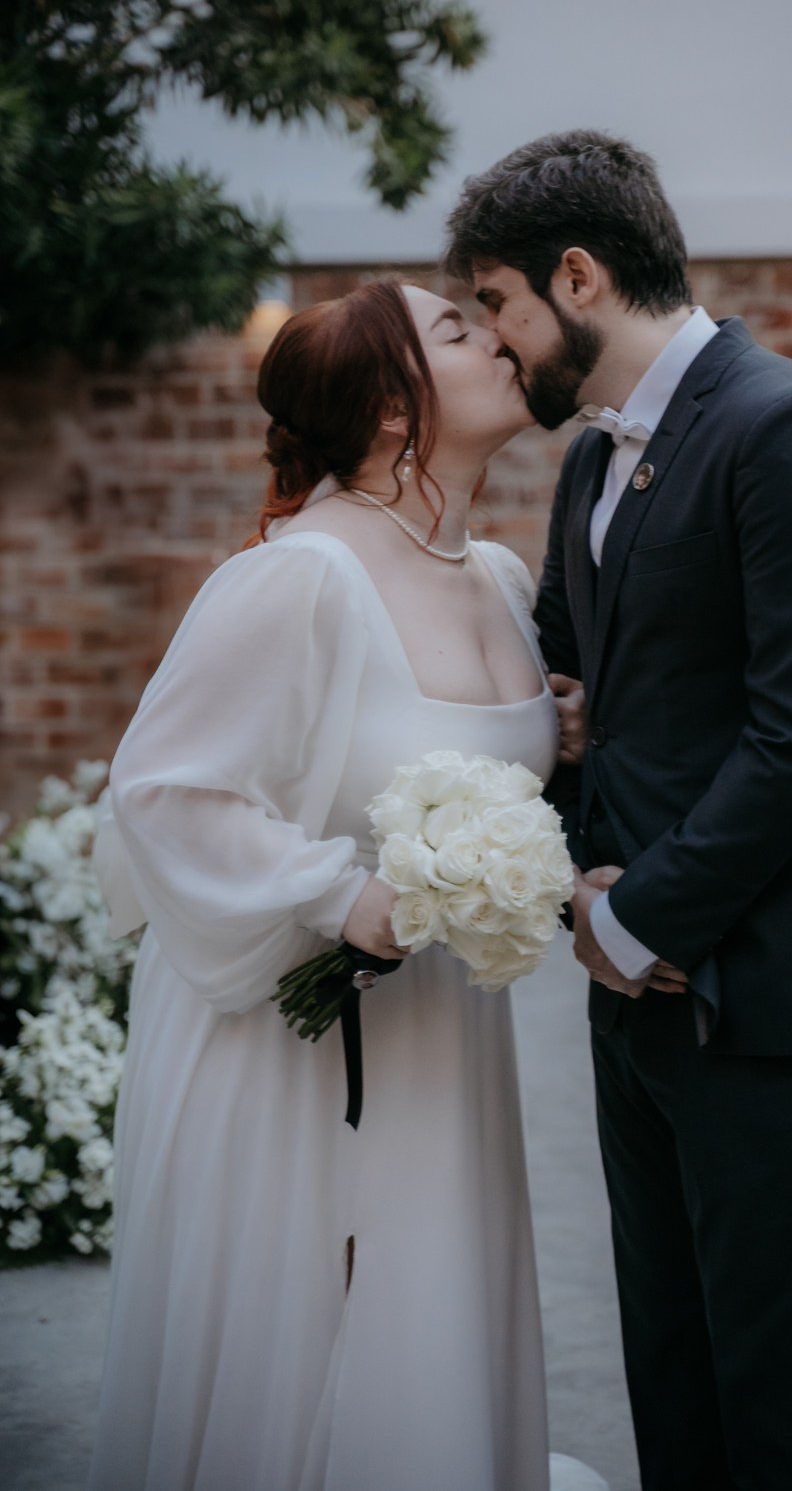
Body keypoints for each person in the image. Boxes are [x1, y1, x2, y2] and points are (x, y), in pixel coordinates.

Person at [445, 130, 792, 1491]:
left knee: (781, 1393)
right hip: (635, 995)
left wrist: (636, 915)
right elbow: (569, 691)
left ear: (578, 277)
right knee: (674, 1369)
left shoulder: (791, 429)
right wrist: (577, 880)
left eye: (499, 303)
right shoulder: (592, 464)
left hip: (771, 997)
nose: (498, 339)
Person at [88, 278, 606, 1491]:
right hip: (296, 1049)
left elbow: (474, 764)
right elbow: (164, 789)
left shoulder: (495, 577)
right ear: (391, 408)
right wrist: (342, 899)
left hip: (441, 1035)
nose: (498, 338)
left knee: (423, 1319)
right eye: (457, 330)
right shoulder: (300, 576)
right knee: (313, 1328)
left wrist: (566, 735)